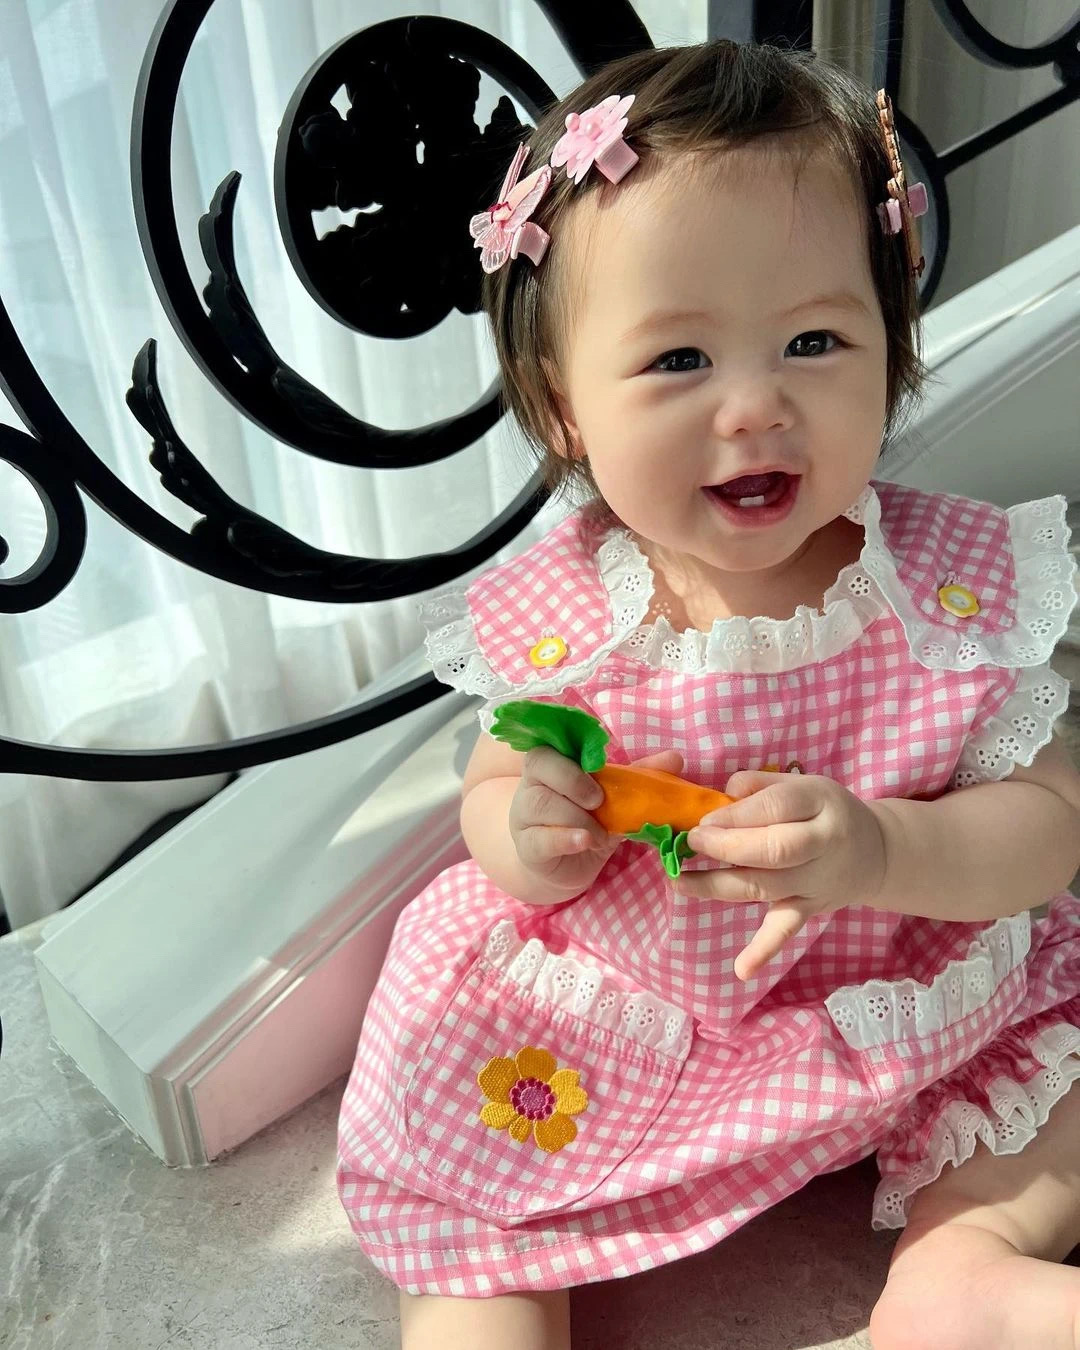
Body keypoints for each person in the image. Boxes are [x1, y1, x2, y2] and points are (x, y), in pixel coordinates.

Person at [336, 38, 1080, 1350]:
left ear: (892, 351)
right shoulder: (570, 620)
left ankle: (967, 1261)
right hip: (636, 1025)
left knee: (1057, 1058)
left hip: (910, 991)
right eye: (679, 360)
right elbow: (498, 786)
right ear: (565, 407)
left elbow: (1052, 822)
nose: (754, 407)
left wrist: (886, 847)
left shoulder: (945, 589)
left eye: (813, 341)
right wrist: (529, 831)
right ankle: (489, 1314)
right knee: (474, 1165)